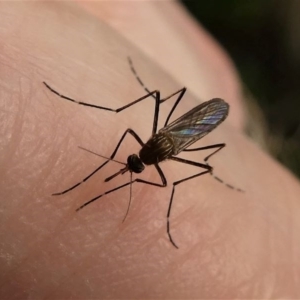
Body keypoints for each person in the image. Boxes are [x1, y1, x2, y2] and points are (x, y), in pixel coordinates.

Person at [1, 1, 300, 298]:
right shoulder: (149, 155)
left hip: (182, 135)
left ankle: (208, 176)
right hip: (175, 136)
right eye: (133, 162)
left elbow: (164, 180)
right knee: (159, 110)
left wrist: (166, 217)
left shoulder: (148, 151)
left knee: (200, 163)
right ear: (139, 157)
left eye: (134, 162)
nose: (131, 162)